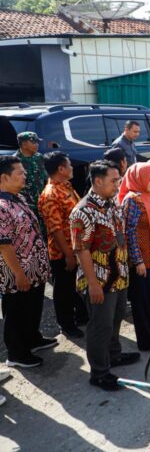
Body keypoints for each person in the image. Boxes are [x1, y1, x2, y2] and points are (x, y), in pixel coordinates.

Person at [70, 161, 139, 390]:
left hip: (118, 275)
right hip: (99, 280)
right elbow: (81, 249)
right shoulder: (83, 210)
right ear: (97, 181)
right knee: (100, 326)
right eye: (113, 180)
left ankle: (113, 354)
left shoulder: (112, 202)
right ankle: (99, 373)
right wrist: (93, 284)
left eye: (118, 179)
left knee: (116, 318)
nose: (117, 184)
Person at [0, 155, 56, 368]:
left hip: (34, 269)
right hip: (18, 273)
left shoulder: (17, 198)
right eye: (20, 173)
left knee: (32, 307)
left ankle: (32, 339)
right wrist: (19, 274)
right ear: (4, 177)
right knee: (16, 312)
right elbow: (4, 245)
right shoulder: (2, 205)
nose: (25, 176)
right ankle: (16, 354)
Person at [118, 163, 150, 352]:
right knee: (144, 302)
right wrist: (138, 261)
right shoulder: (133, 199)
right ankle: (147, 341)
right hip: (143, 261)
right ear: (138, 178)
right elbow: (129, 232)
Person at [38, 152, 88, 338]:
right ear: (61, 169)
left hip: (76, 249)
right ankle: (66, 324)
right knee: (64, 291)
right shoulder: (50, 194)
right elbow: (55, 229)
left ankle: (80, 316)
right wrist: (68, 255)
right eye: (69, 165)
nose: (72, 168)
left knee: (75, 287)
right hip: (63, 253)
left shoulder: (66, 187)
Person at [14, 132, 47, 231]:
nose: (37, 144)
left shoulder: (39, 157)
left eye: (37, 142)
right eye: (33, 142)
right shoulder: (15, 161)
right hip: (26, 206)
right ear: (23, 144)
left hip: (42, 204)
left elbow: (45, 178)